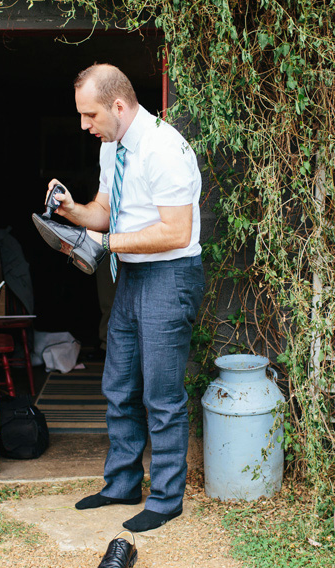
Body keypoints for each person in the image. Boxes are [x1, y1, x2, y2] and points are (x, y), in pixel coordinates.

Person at [46, 63, 204, 533]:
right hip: (132, 277)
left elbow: (175, 232)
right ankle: (122, 483)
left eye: (89, 115)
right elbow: (106, 210)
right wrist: (72, 210)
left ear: (118, 106)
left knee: (162, 394)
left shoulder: (165, 148)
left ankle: (166, 497)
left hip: (170, 276)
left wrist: (106, 245)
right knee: (119, 385)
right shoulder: (112, 145)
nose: (83, 125)